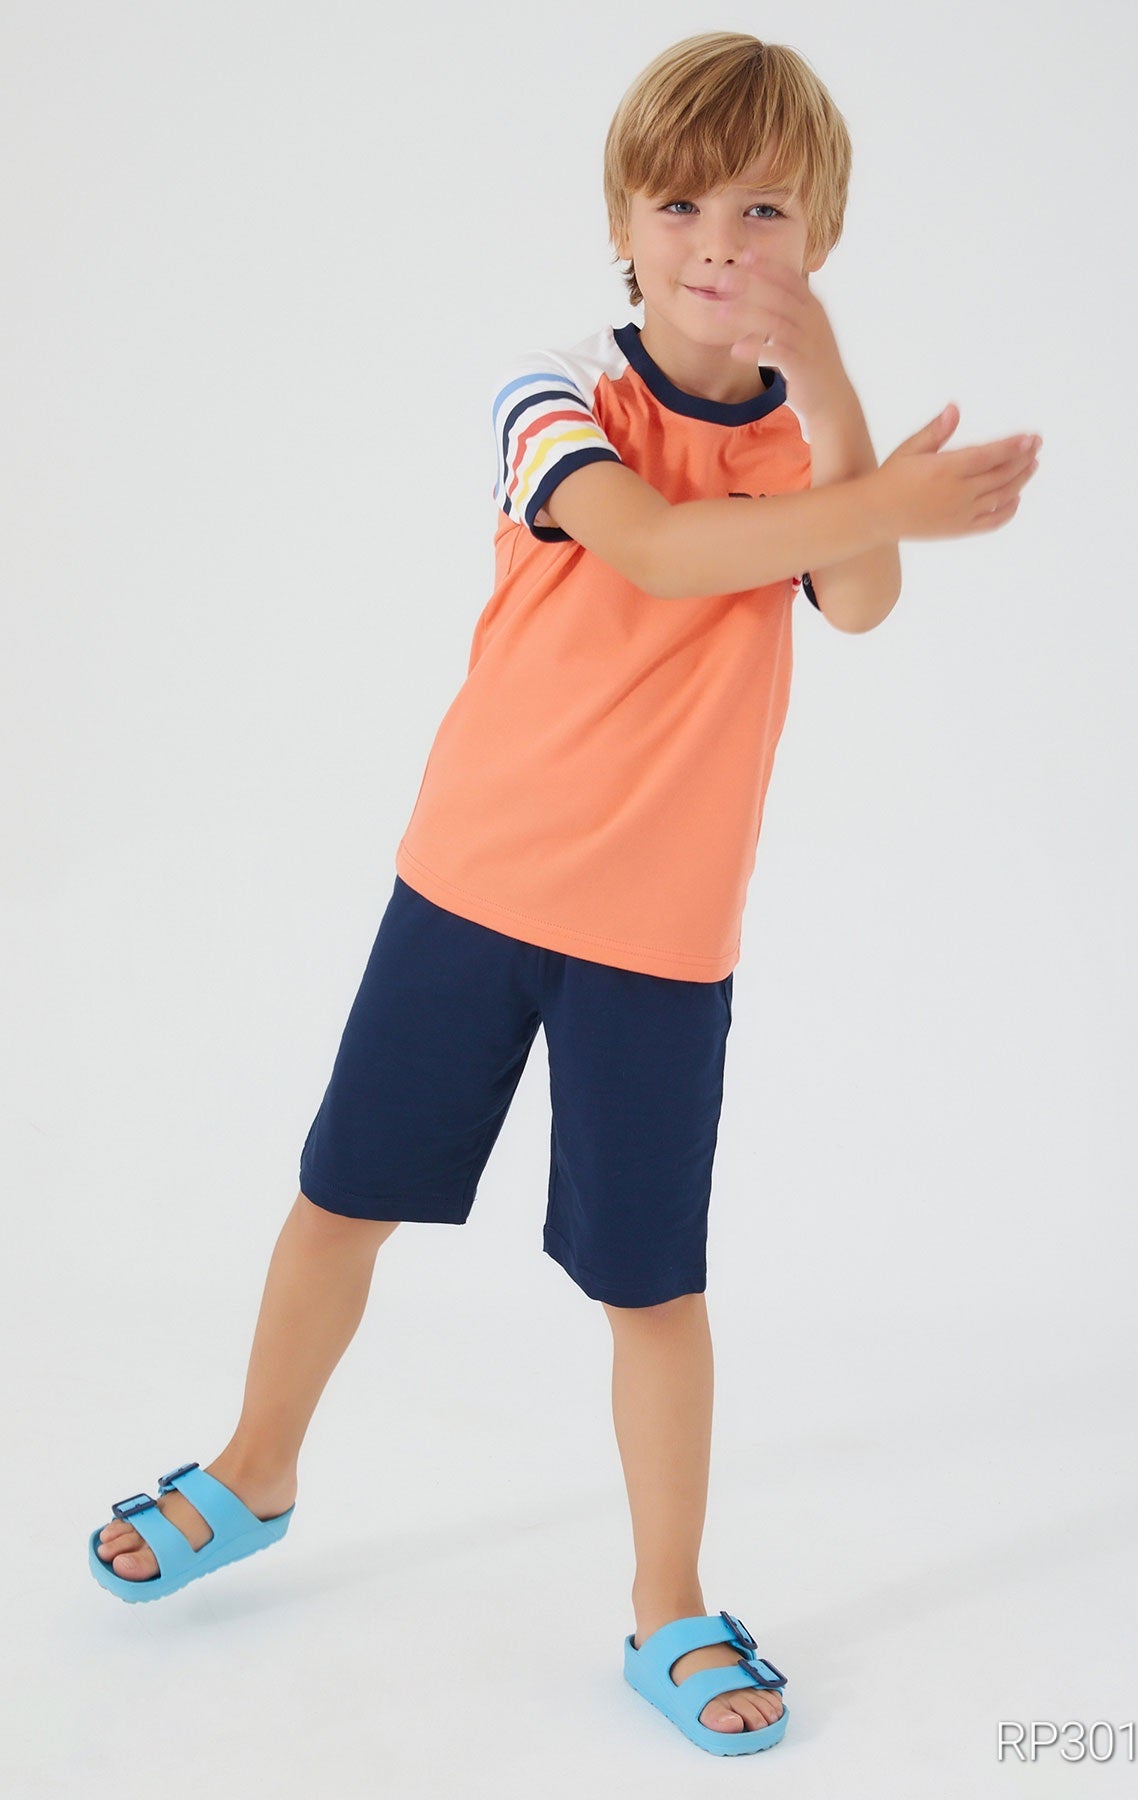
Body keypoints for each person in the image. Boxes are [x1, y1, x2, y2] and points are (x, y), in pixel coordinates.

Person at [87, 30, 1041, 1757]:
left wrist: (840, 414)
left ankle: (666, 1604)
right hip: (470, 887)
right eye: (680, 200)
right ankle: (257, 1464)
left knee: (651, 1289)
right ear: (621, 216)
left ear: (821, 237)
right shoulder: (558, 389)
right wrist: (888, 484)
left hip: (661, 945)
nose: (717, 241)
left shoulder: (812, 445)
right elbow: (666, 553)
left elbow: (864, 594)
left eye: (764, 208)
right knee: (340, 1201)